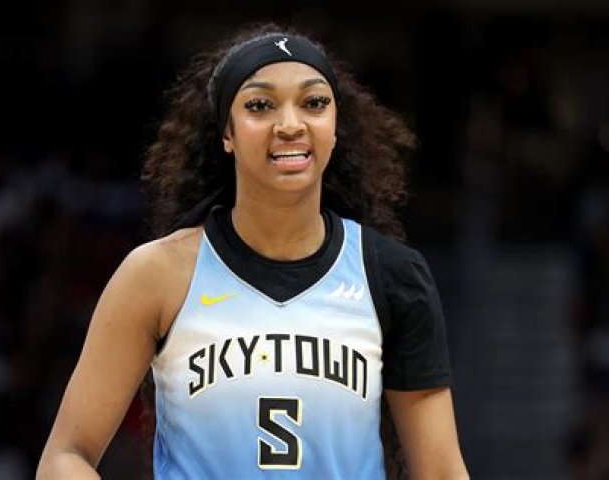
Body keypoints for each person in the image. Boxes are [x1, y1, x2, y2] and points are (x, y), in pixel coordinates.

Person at [36, 21, 469, 479]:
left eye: (314, 103)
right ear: (226, 133)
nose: (290, 125)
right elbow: (66, 456)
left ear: (335, 127)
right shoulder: (157, 274)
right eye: (260, 106)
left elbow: (441, 472)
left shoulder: (392, 275)